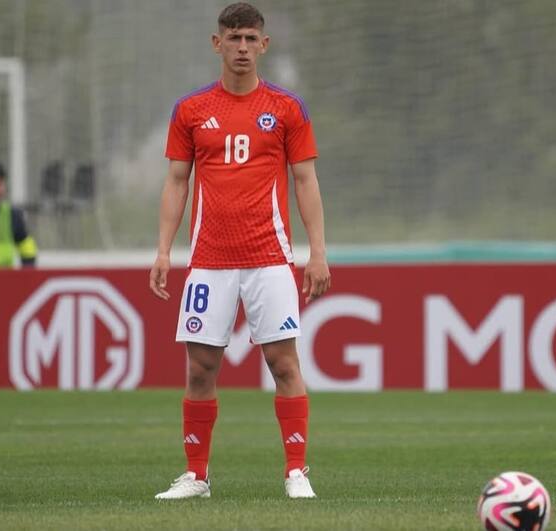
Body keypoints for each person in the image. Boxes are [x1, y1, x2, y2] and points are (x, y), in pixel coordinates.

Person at [149, 2, 331, 500]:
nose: (243, 48)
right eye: (234, 39)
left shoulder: (288, 109)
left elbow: (305, 180)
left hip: (270, 259)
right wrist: (164, 251)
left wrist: (317, 252)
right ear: (217, 44)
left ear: (264, 45)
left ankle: (296, 471)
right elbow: (176, 181)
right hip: (208, 261)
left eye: (251, 39)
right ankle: (197, 476)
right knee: (200, 368)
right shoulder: (191, 110)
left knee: (283, 363)